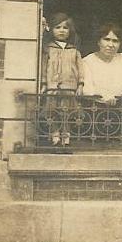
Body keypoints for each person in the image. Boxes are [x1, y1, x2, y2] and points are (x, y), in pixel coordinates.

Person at [40, 13, 84, 146]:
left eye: (65, 28)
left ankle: (66, 136)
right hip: (52, 85)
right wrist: (43, 83)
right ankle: (55, 135)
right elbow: (43, 67)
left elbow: (80, 68)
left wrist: (80, 84)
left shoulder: (74, 50)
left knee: (67, 112)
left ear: (70, 30)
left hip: (69, 86)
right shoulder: (48, 49)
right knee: (52, 111)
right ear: (52, 29)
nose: (61, 30)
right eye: (57, 27)